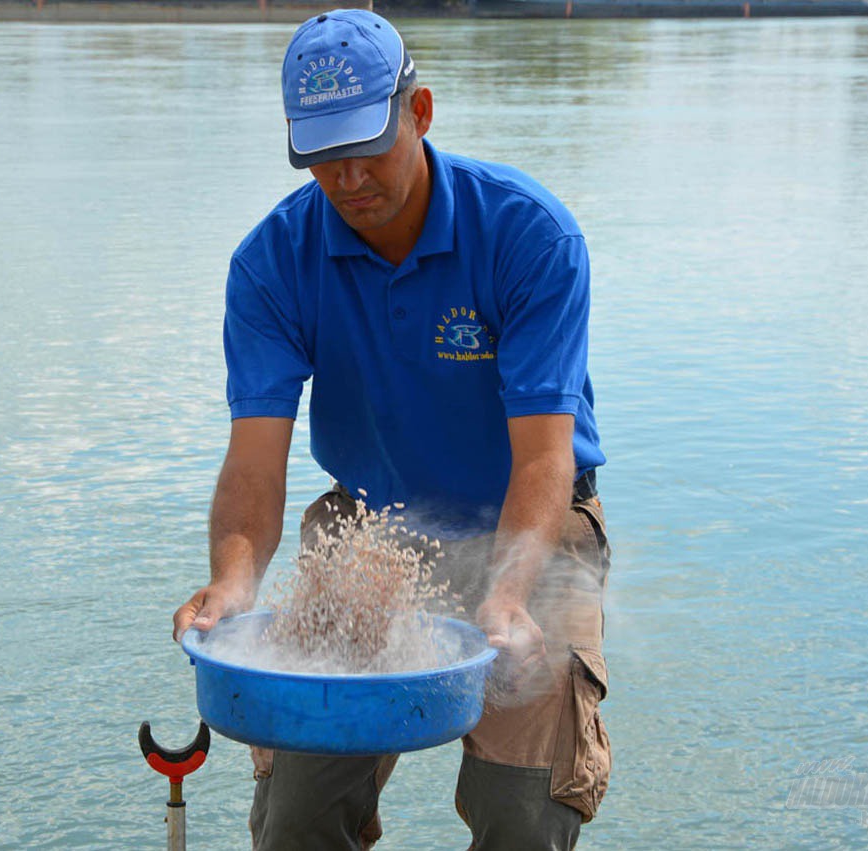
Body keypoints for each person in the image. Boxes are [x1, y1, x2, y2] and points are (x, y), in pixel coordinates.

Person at [172, 9, 611, 850]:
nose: (347, 178)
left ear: (420, 112)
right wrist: (233, 583)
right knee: (298, 818)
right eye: (321, 157)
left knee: (520, 816)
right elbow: (255, 463)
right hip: (368, 534)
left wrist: (508, 593)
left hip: (528, 530)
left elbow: (545, 455)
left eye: (365, 144)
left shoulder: (529, 235)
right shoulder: (268, 264)